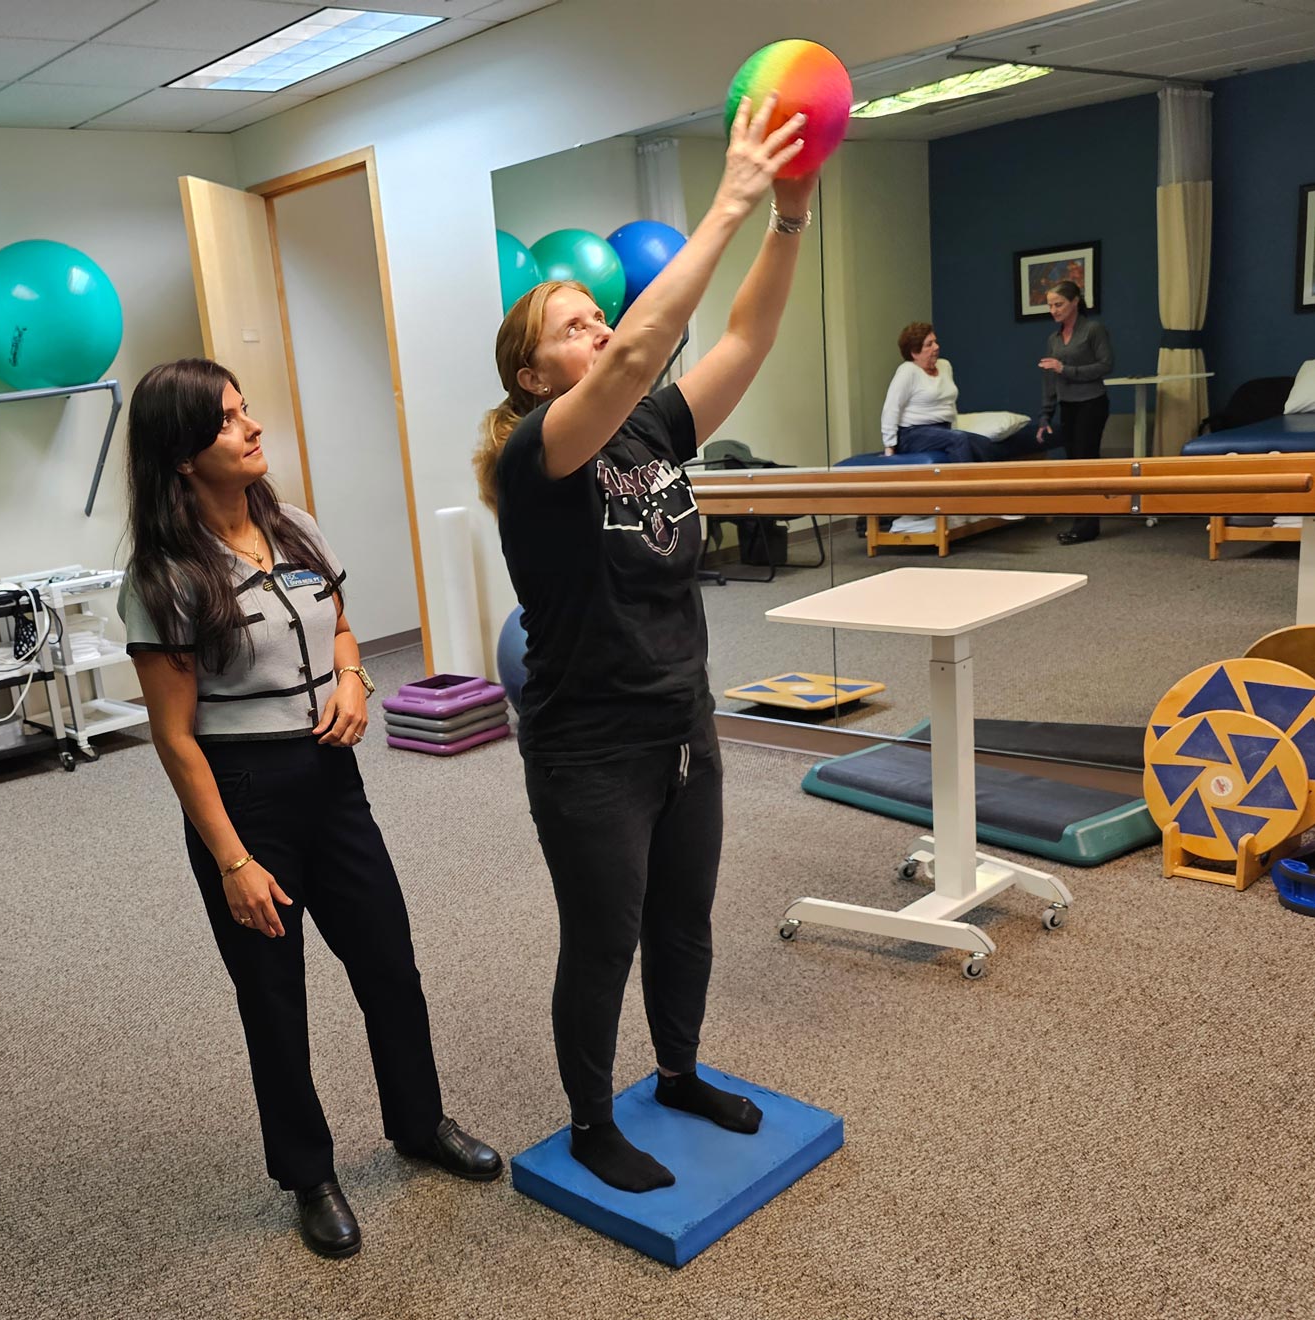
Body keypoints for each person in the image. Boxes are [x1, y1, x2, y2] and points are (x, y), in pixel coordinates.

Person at [472, 94, 812, 1194]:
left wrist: (789, 221)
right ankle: (586, 1122)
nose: (602, 334)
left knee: (686, 923)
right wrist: (728, 200)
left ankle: (675, 1071)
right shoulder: (538, 455)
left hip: (681, 720)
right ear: (531, 376)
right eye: (573, 327)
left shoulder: (655, 427)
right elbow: (637, 360)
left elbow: (747, 337)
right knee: (602, 939)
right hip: (589, 749)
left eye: (597, 316)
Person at [121, 359, 500, 1260]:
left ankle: (419, 1124)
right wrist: (233, 861)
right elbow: (176, 738)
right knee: (273, 998)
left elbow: (337, 625)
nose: (253, 428)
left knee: (389, 964)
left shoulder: (292, 527)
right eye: (227, 421)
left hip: (333, 781)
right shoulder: (163, 576)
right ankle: (308, 1174)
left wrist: (358, 679)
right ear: (181, 456)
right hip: (244, 798)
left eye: (246, 410)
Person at [1037, 279, 1115, 544]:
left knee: (1086, 461)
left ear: (1075, 302)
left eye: (1058, 304)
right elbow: (1050, 378)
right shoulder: (1054, 338)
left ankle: (1086, 525)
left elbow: (1106, 365)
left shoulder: (1093, 330)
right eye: (1050, 306)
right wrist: (1045, 414)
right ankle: (1083, 521)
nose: (1054, 310)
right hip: (1067, 405)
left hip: (1092, 402)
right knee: (1073, 464)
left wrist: (1066, 369)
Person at [881, 322, 1000, 463]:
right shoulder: (907, 371)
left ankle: (988, 484)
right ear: (914, 352)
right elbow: (891, 407)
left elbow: (949, 403)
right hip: (912, 434)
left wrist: (954, 429)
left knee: (983, 443)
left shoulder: (945, 366)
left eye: (935, 342)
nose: (936, 347)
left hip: (943, 430)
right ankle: (964, 485)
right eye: (929, 344)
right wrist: (889, 447)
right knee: (958, 440)